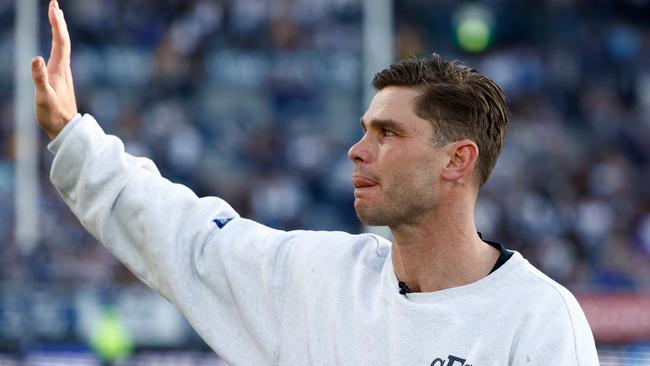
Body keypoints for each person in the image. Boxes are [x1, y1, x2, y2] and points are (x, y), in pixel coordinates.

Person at [31, 1, 599, 364]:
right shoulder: (318, 281)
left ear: (457, 160)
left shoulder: (538, 319)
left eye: (389, 133)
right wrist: (73, 137)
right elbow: (187, 238)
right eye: (364, 130)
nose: (357, 150)